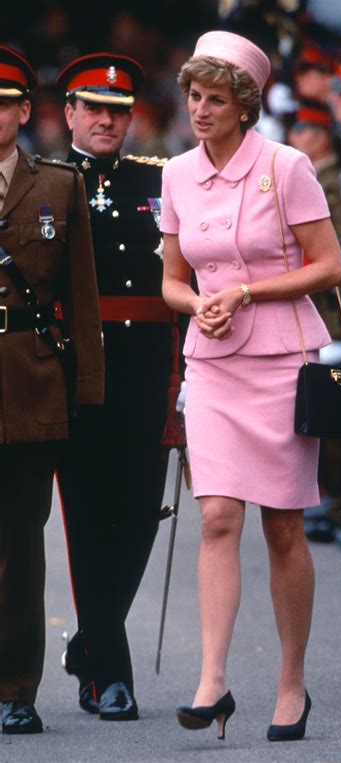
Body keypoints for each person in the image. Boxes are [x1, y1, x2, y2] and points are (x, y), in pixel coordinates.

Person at [160, 30, 341, 742]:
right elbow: (171, 278)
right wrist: (196, 303)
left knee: (283, 525)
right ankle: (212, 678)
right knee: (215, 518)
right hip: (211, 363)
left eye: (214, 98)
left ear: (243, 105)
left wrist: (246, 290)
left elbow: (329, 266)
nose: (200, 110)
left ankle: (292, 683)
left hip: (281, 363)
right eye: (193, 97)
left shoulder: (286, 165)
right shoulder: (176, 174)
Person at [55, 53, 180, 720]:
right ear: (67, 113)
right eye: (94, 109)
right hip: (76, 364)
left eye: (119, 111)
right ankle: (108, 671)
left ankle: (91, 641)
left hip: (146, 362)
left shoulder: (163, 180)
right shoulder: (48, 182)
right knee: (87, 514)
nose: (107, 120)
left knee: (138, 511)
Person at [0, 45, 104, 734]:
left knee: (19, 543)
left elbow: (83, 298)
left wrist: (87, 391)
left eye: (6, 102)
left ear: (25, 110)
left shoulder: (58, 186)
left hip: (28, 386)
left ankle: (15, 685)